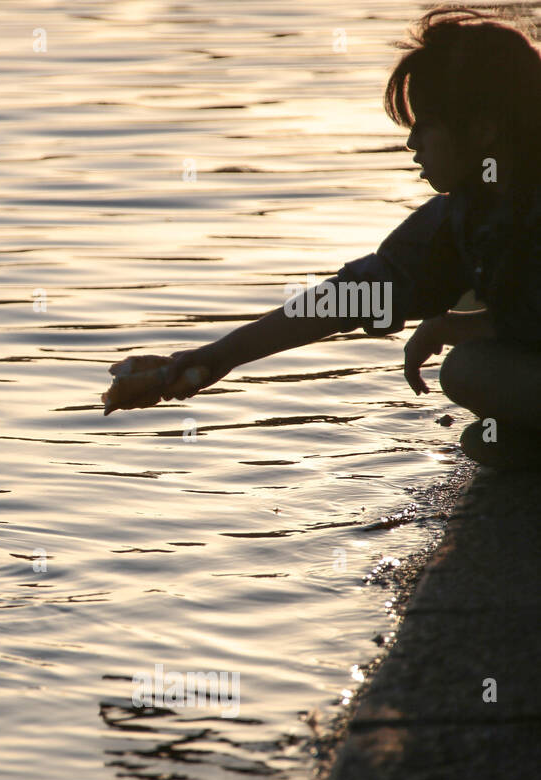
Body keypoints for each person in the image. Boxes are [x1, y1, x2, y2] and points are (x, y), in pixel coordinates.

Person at [110, 7, 541, 469]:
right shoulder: (470, 210)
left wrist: (460, 327)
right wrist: (212, 359)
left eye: (426, 125)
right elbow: (353, 297)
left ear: (483, 129)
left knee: (470, 371)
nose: (412, 143)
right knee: (488, 437)